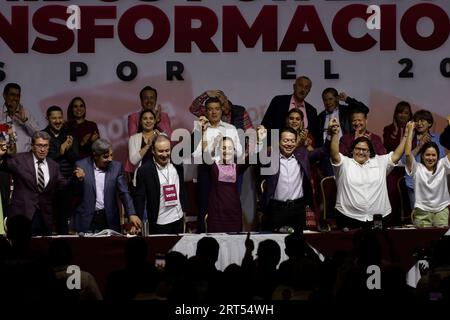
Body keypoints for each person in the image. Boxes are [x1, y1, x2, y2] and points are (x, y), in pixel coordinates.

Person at [329, 118, 408, 230]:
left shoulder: (380, 162)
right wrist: (335, 134)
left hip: (378, 219)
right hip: (349, 217)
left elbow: (396, 155)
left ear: (370, 151)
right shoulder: (344, 163)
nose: (361, 152)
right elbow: (334, 154)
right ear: (352, 150)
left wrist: (406, 135)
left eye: (365, 149)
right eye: (358, 148)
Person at [1, 131, 80, 236]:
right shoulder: (20, 160)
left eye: (45, 146)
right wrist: (1, 156)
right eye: (39, 145)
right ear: (33, 146)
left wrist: (75, 178)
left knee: (42, 250)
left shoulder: (54, 166)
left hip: (44, 218)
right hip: (22, 216)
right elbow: (3, 165)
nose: (42, 149)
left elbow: (64, 186)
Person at [192, 96, 243, 233]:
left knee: (229, 207)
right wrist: (213, 147)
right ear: (206, 112)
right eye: (210, 109)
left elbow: (239, 154)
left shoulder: (231, 129)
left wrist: (226, 146)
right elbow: (196, 156)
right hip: (206, 173)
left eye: (217, 109)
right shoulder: (199, 129)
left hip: (227, 173)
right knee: (204, 208)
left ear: (222, 111)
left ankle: (231, 236)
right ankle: (204, 243)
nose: (214, 112)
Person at [260, 127, 325, 232]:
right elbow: (256, 157)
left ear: (296, 142)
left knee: (298, 244)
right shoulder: (271, 157)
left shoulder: (303, 154)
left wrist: (331, 135)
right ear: (278, 141)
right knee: (276, 243)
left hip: (298, 208)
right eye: (285, 140)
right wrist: (260, 141)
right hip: (277, 208)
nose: (289, 144)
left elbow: (323, 151)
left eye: (292, 141)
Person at [73, 138, 141, 234]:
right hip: (87, 219)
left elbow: (124, 192)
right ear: (95, 155)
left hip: (109, 219)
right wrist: (78, 180)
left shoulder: (116, 167)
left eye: (111, 155)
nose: (110, 159)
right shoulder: (81, 165)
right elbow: (74, 192)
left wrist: (131, 213)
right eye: (105, 157)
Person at [134, 134, 187, 234]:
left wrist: (199, 129)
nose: (164, 154)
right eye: (160, 151)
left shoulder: (176, 163)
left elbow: (190, 146)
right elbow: (139, 197)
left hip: (178, 218)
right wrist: (137, 219)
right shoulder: (144, 170)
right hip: (159, 222)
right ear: (153, 150)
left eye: (167, 150)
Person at [405, 122, 450, 228]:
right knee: (423, 242)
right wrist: (410, 131)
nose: (431, 158)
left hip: (441, 210)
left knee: (441, 242)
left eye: (433, 155)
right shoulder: (417, 168)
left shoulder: (443, 165)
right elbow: (407, 154)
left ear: (438, 156)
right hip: (422, 211)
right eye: (427, 155)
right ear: (422, 156)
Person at [43, 105, 79, 234]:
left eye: (60, 118)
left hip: (66, 184)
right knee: (46, 220)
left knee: (63, 221)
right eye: (54, 118)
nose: (58, 121)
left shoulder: (69, 135)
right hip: (47, 184)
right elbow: (44, 159)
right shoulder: (43, 135)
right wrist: (61, 150)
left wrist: (66, 150)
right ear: (47, 118)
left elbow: (76, 158)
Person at [403, 110, 446, 209]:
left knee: (435, 215)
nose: (419, 123)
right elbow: (405, 161)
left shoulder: (437, 138)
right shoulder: (409, 138)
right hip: (414, 185)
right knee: (419, 216)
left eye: (422, 120)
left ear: (430, 123)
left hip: (433, 184)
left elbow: (441, 160)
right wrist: (419, 146)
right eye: (416, 121)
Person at [126, 86, 173, 175]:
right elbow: (133, 139)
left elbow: (169, 138)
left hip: (159, 167)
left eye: (152, 98)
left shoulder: (164, 116)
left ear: (156, 99)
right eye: (146, 98)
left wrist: (158, 121)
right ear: (141, 100)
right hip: (138, 164)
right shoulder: (133, 117)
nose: (149, 100)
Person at [262, 76, 319, 144]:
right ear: (294, 86)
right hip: (276, 149)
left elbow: (313, 136)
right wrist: (268, 147)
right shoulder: (278, 101)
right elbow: (265, 126)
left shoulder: (312, 111)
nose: (303, 89)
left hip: (302, 153)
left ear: (309, 91)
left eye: (306, 87)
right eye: (300, 85)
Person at [383, 101, 413, 225]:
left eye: (406, 113)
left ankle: (408, 220)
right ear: (395, 114)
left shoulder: (414, 130)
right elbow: (388, 146)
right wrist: (395, 132)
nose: (402, 115)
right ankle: (392, 221)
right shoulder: (388, 129)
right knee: (392, 192)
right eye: (400, 112)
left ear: (410, 115)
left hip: (408, 168)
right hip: (394, 169)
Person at [189, 89, 253, 131]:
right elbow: (194, 109)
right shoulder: (211, 112)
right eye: (218, 107)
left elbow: (250, 134)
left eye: (222, 103)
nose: (221, 108)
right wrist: (206, 94)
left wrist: (246, 151)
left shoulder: (240, 111)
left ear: (226, 98)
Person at [1, 83, 39, 152]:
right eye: (12, 95)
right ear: (4, 95)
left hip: (25, 158)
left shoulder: (26, 113)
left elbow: (37, 136)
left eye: (18, 96)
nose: (15, 98)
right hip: (4, 158)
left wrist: (25, 121)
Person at [127, 109, 160, 187]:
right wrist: (148, 145)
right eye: (145, 118)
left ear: (155, 121)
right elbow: (133, 161)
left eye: (151, 118)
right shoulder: (133, 138)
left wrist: (159, 139)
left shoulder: (162, 136)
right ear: (141, 122)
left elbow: (166, 159)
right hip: (141, 180)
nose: (148, 121)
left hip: (159, 179)